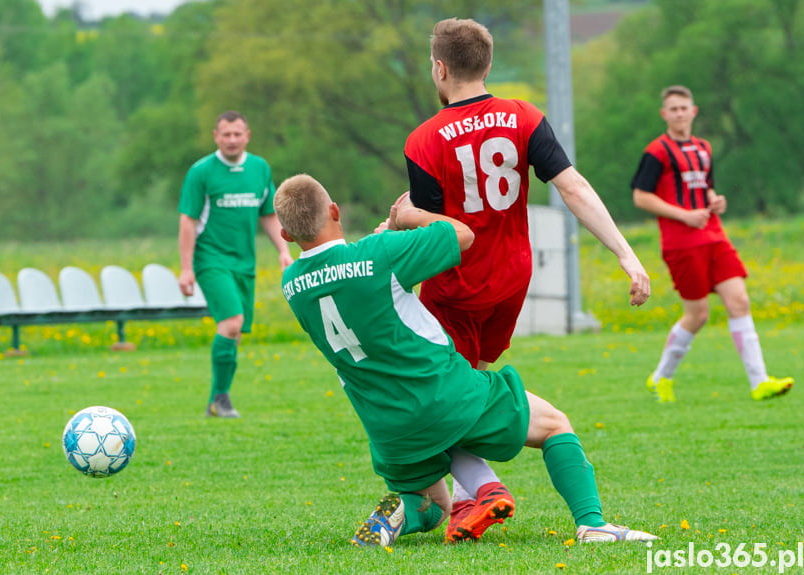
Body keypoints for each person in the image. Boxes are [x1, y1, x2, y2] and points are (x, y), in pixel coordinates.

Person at [273, 173, 656, 547]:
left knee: (434, 506)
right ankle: (593, 525)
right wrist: (409, 218)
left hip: (386, 425)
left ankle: (399, 513)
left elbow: (346, 280)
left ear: (286, 235)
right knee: (555, 425)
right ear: (335, 211)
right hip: (443, 393)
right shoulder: (377, 255)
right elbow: (462, 236)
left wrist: (385, 242)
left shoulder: (292, 285)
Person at [393, 17, 652, 543]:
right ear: (487, 65)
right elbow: (574, 188)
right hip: (511, 282)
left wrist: (395, 228)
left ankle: (473, 496)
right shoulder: (524, 118)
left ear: (439, 68)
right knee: (466, 391)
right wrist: (628, 256)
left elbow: (437, 230)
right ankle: (466, 499)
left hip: (455, 289)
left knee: (446, 402)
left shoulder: (423, 140)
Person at [631, 85, 794, 403]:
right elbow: (640, 196)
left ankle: (760, 382)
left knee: (739, 301)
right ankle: (661, 377)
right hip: (681, 243)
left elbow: (705, 187)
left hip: (714, 236)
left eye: (684, 108)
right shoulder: (657, 152)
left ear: (694, 111)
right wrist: (684, 215)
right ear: (664, 115)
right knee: (698, 315)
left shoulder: (703, 147)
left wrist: (714, 200)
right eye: (673, 109)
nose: (679, 113)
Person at [178, 111, 293, 418]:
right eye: (225, 134)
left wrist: (283, 250)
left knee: (236, 331)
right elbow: (188, 221)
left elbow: (267, 214)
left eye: (237, 134)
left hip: (244, 262)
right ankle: (220, 399)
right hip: (211, 259)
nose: (231, 140)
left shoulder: (259, 168)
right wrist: (187, 268)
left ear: (247, 136)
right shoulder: (201, 172)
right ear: (216, 136)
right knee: (231, 323)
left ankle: (218, 401)